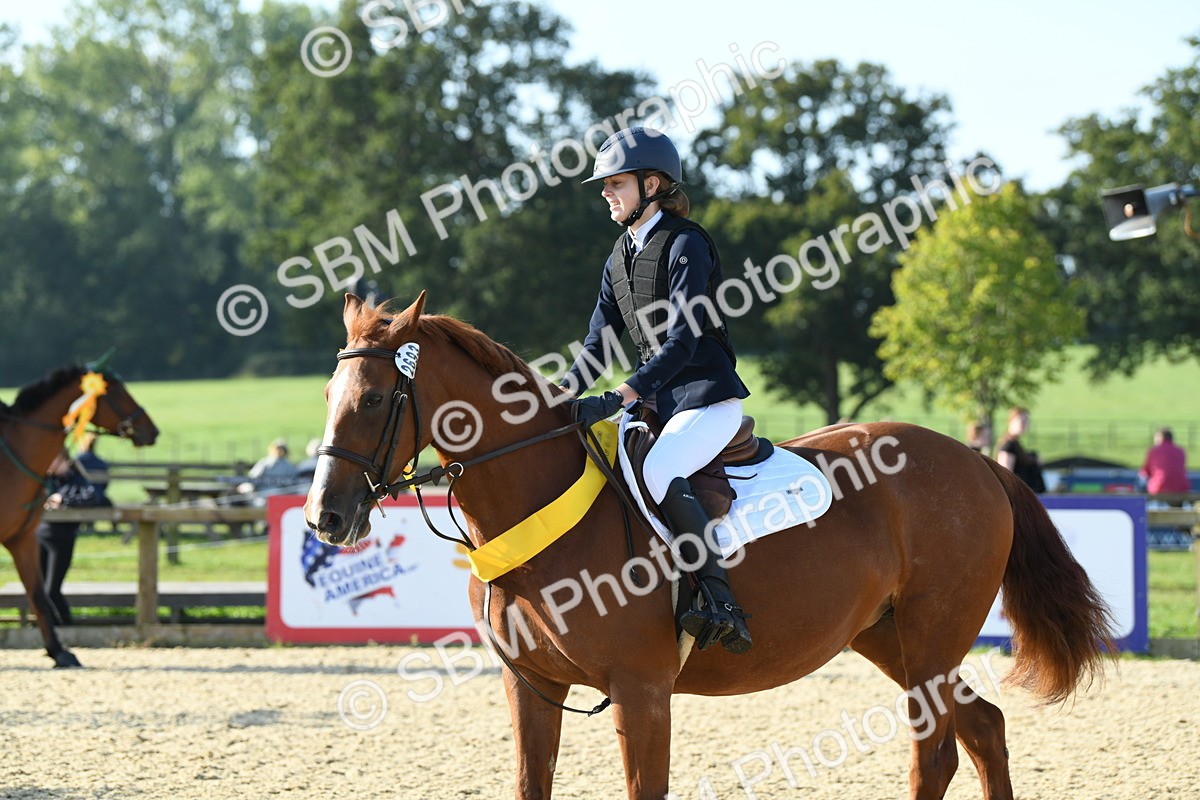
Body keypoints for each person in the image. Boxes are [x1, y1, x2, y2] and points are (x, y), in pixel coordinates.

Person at [561, 127, 752, 655]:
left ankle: (721, 604)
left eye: (615, 184)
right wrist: (561, 394)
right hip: (659, 402)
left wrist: (620, 395)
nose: (605, 193)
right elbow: (598, 341)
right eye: (604, 186)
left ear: (652, 184)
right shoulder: (619, 255)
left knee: (660, 469)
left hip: (707, 397)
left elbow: (684, 339)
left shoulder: (686, 242)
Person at [36, 449, 106, 625]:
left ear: (64, 461)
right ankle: (50, 627)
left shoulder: (77, 480)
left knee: (52, 590)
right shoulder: (45, 479)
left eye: (53, 460)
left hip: (62, 540)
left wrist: (64, 500)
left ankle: (67, 625)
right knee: (40, 590)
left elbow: (93, 498)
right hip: (40, 538)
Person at [994, 407, 1045, 492]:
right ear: (1011, 421)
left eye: (1027, 421)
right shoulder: (1008, 446)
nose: (1025, 424)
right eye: (1022, 421)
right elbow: (1005, 477)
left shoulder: (1015, 444)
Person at [1140, 427, 1189, 496]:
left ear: (1160, 438)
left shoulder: (1154, 451)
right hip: (1181, 487)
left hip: (1159, 487)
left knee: (1141, 478)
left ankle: (1139, 502)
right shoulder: (1180, 450)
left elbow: (1145, 472)